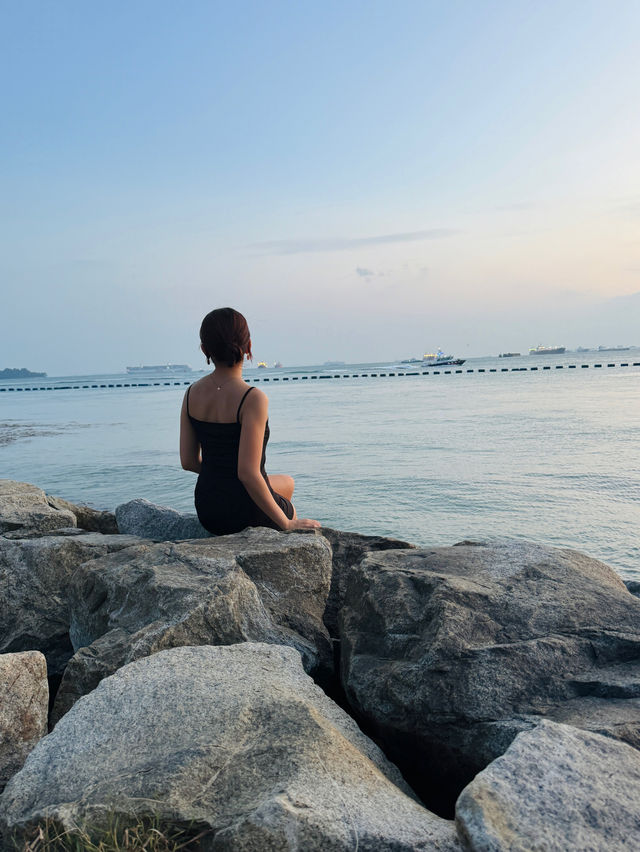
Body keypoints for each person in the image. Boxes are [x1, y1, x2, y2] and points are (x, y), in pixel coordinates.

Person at [180, 307, 321, 535]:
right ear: (249, 347)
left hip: (208, 508)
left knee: (287, 482)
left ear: (205, 349)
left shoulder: (190, 394)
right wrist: (287, 524)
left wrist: (220, 475)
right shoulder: (252, 398)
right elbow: (247, 473)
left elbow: (188, 461)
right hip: (241, 511)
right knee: (288, 507)